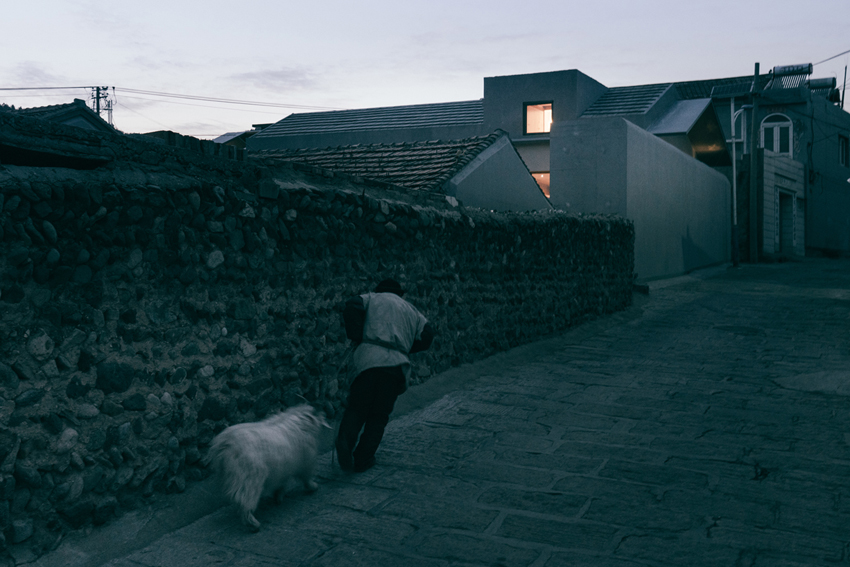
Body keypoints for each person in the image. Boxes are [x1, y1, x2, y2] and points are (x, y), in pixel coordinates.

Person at [336, 278, 435, 472]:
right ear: (400, 294)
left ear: (379, 289)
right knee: (379, 416)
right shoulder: (411, 310)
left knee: (357, 407)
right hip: (396, 365)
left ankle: (345, 442)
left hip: (368, 361)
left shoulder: (371, 298)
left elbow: (351, 306)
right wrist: (405, 347)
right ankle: (363, 459)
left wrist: (357, 336)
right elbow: (428, 334)